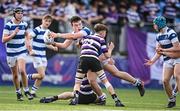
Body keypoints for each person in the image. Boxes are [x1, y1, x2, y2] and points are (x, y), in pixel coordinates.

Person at [52, 16, 145, 97]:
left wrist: (57, 34)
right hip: (94, 57)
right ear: (72, 25)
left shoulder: (85, 30)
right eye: (76, 25)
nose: (79, 26)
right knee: (92, 80)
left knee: (114, 73)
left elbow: (74, 36)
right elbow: (64, 45)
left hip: (98, 56)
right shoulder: (73, 34)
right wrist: (52, 42)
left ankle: (137, 83)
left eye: (80, 24)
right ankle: (102, 97)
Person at [51, 23, 125, 107]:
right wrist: (110, 49)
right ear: (102, 32)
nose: (105, 35)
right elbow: (107, 55)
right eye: (105, 33)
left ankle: (75, 99)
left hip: (83, 59)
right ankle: (116, 100)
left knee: (78, 83)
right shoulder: (101, 39)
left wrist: (80, 44)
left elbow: (78, 43)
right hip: (94, 59)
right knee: (105, 82)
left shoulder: (86, 37)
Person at [145, 16, 180, 108]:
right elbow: (159, 52)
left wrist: (164, 51)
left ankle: (175, 91)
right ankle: (172, 99)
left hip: (178, 57)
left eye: (155, 24)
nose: (154, 26)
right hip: (168, 59)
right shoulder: (158, 36)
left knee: (177, 76)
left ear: (160, 24)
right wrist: (152, 61)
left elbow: (177, 48)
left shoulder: (171, 33)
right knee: (165, 81)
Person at [2, 7, 33, 101]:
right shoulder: (8, 25)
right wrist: (13, 34)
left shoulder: (24, 24)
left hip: (21, 50)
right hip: (11, 52)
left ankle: (26, 90)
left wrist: (28, 42)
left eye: (21, 13)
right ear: (14, 14)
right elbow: (3, 40)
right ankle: (18, 93)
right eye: (18, 13)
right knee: (15, 75)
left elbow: (27, 34)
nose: (20, 15)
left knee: (22, 71)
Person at [26, 14, 58, 97]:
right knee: (42, 75)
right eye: (46, 20)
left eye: (49, 21)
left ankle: (32, 92)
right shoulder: (37, 29)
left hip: (43, 55)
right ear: (42, 21)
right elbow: (28, 37)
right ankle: (25, 77)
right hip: (36, 54)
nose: (47, 22)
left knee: (41, 76)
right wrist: (30, 50)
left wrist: (53, 47)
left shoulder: (48, 32)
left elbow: (46, 44)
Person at [39, 75, 106, 104]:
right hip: (90, 98)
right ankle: (101, 100)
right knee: (103, 95)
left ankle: (55, 97)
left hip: (80, 96)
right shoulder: (93, 70)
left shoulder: (81, 69)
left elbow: (77, 84)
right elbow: (94, 85)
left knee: (72, 94)